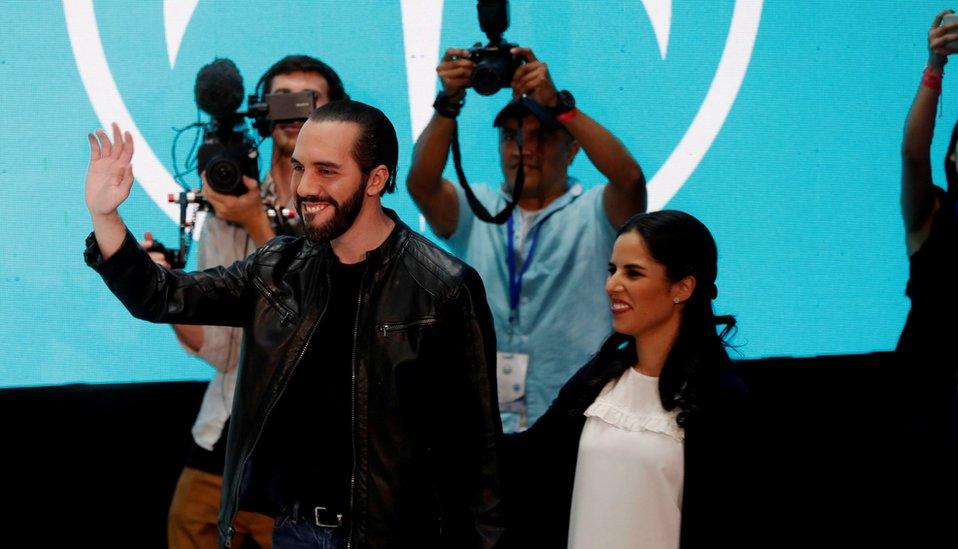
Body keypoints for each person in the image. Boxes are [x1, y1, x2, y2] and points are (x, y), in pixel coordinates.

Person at [83, 101, 503, 548]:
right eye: (300, 168)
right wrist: (105, 216)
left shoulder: (442, 286)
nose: (305, 187)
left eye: (327, 171)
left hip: (395, 536)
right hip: (293, 531)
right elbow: (162, 295)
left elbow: (477, 453)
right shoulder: (277, 269)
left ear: (376, 179)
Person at [145, 55, 348, 549]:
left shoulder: (349, 206)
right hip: (226, 432)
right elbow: (220, 352)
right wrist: (168, 288)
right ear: (262, 110)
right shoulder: (226, 202)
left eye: (311, 101)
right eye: (283, 100)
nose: (296, 112)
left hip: (310, 455)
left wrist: (258, 223)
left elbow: (317, 325)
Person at [407, 46, 646, 431]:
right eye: (511, 137)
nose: (524, 150)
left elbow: (630, 179)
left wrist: (561, 107)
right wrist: (448, 102)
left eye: (542, 137)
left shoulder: (597, 211)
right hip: (490, 419)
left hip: (582, 414)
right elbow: (421, 183)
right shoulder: (479, 208)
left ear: (572, 150)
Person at [500, 211, 750, 549]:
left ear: (683, 287)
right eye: (612, 270)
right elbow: (529, 460)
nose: (611, 285)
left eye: (633, 273)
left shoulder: (722, 399)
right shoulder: (598, 379)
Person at [898, 10, 958, 441]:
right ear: (951, 155)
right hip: (930, 390)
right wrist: (935, 66)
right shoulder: (930, 213)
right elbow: (913, 151)